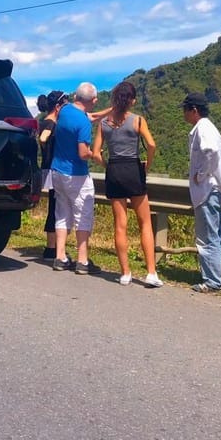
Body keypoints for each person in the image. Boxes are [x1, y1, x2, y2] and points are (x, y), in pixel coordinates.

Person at [92, 81, 163, 287]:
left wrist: (107, 165)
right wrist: (146, 166)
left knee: (120, 225)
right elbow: (151, 144)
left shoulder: (104, 123)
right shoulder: (138, 120)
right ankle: (151, 273)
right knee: (144, 223)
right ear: (131, 100)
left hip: (114, 170)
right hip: (133, 169)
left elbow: (95, 153)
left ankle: (125, 273)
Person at [181, 92, 221, 293]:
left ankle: (212, 281)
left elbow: (211, 151)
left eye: (185, 110)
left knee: (207, 236)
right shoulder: (209, 127)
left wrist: (202, 174)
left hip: (207, 191)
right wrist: (218, 171)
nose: (184, 114)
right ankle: (220, 276)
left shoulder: (202, 128)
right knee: (218, 234)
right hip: (217, 189)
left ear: (194, 110)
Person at [50, 82, 100, 275]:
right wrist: (94, 154)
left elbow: (90, 115)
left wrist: (111, 110)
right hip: (76, 175)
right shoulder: (83, 123)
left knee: (62, 214)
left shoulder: (64, 110)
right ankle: (82, 260)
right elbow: (82, 153)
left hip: (57, 171)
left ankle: (60, 257)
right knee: (83, 216)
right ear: (93, 100)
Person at [36, 90, 69, 260]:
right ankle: (51, 248)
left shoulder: (45, 121)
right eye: (65, 103)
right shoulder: (50, 123)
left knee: (55, 206)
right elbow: (43, 138)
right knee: (56, 207)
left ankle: (53, 246)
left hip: (48, 168)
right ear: (58, 106)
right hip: (53, 169)